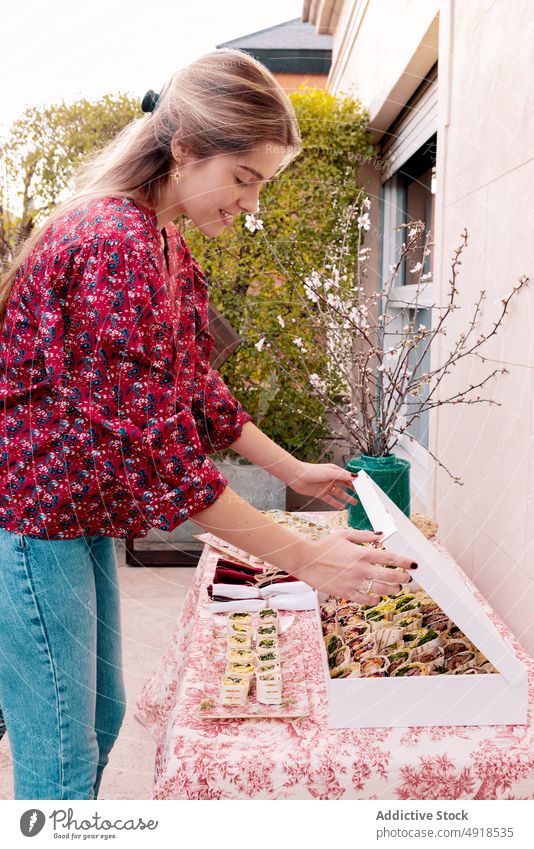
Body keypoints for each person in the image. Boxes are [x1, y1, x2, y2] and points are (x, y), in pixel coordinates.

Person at [0, 49, 415, 800]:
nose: (252, 204)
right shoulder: (112, 243)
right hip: (31, 522)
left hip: (74, 513)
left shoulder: (160, 240)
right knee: (60, 747)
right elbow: (164, 463)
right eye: (246, 178)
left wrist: (291, 471)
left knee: (101, 716)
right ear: (186, 148)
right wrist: (305, 559)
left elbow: (194, 384)